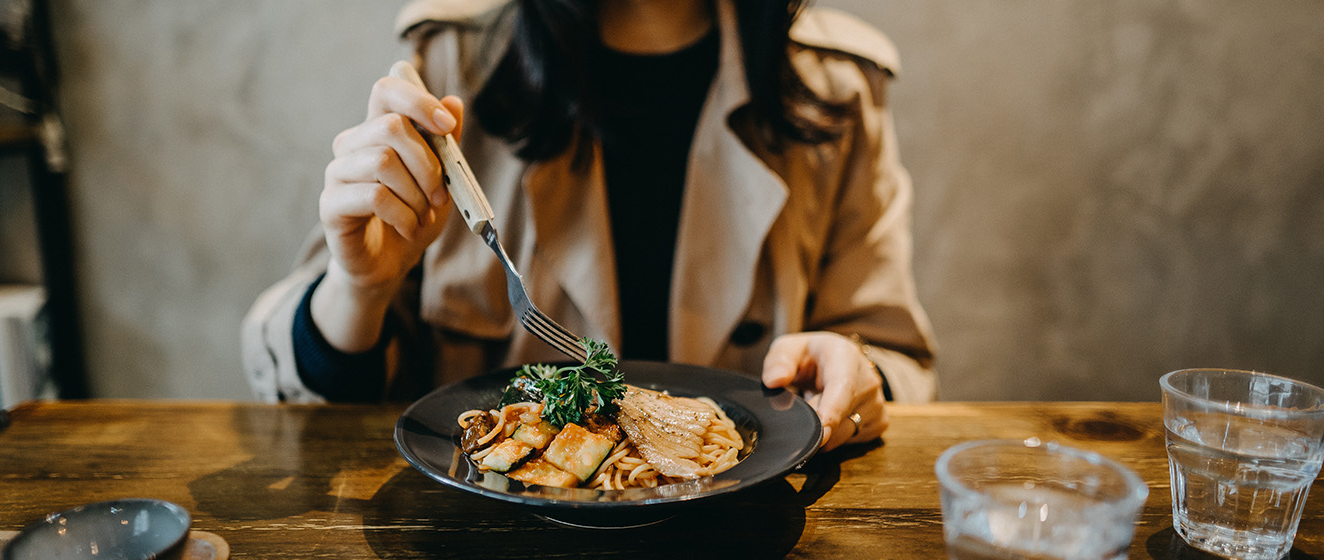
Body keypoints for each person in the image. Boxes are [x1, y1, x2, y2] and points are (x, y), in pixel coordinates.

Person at [242, 0, 938, 451]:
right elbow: (291, 383)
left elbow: (894, 358)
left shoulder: (834, 86)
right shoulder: (454, 61)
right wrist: (357, 289)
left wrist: (860, 378)